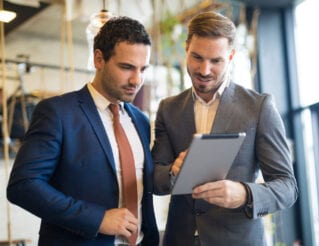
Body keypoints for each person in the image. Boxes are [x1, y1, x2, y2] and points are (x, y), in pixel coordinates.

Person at [7, 16, 159, 246]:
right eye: (127, 67)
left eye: (143, 69)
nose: (136, 80)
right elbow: (23, 185)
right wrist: (97, 219)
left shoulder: (141, 120)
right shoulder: (57, 113)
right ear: (99, 59)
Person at [151, 11, 298, 246]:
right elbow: (155, 179)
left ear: (230, 56)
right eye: (197, 57)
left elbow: (287, 186)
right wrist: (172, 172)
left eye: (216, 61)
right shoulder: (169, 109)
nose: (204, 70)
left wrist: (245, 194)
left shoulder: (258, 107)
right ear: (186, 47)